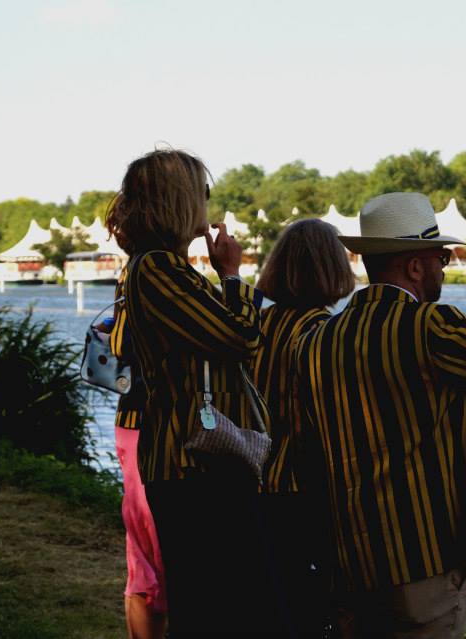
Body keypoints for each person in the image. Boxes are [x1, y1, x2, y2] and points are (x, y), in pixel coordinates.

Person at [292, 192, 466, 638]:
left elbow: (302, 451)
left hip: (346, 561)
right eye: (440, 257)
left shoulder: (317, 340)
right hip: (422, 560)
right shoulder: (429, 328)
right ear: (415, 266)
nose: (446, 267)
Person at [106, 149, 287, 635]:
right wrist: (232, 275)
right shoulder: (158, 269)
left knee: (225, 601)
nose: (208, 205)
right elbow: (241, 338)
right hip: (189, 462)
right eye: (202, 194)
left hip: (197, 459)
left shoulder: (168, 268)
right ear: (178, 201)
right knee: (215, 604)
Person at [251, 219, 355, 636]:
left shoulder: (254, 324)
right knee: (311, 612)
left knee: (270, 608)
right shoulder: (323, 332)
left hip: (251, 480)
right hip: (304, 489)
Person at [109, 268, 167, 639]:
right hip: (153, 424)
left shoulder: (134, 272)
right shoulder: (158, 272)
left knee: (144, 557)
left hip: (133, 420)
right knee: (155, 552)